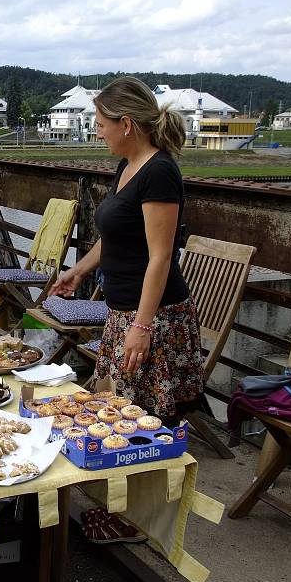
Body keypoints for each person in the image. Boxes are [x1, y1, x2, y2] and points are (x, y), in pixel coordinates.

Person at [49, 76, 203, 421]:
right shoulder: (127, 166)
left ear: (127, 124)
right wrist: (80, 269)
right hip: (123, 312)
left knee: (140, 421)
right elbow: (115, 236)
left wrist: (143, 326)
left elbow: (161, 256)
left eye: (102, 125)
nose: (98, 132)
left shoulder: (159, 172)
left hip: (154, 316)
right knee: (116, 414)